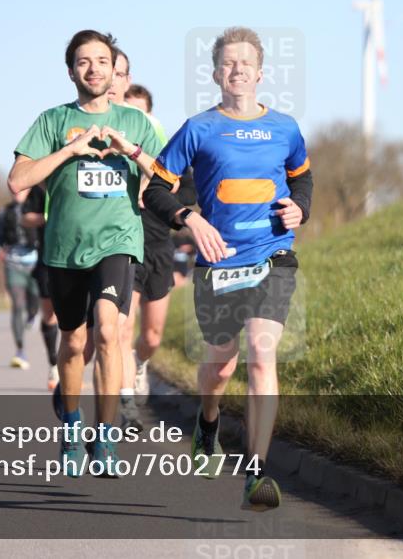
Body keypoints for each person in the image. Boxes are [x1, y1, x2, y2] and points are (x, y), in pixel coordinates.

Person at [143, 26, 313, 511]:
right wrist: (189, 219)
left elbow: (303, 178)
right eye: (227, 63)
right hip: (217, 262)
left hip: (272, 254)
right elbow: (156, 189)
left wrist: (301, 207)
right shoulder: (198, 128)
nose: (237, 69)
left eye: (245, 63)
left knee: (262, 354)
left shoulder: (285, 127)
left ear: (261, 73)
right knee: (219, 366)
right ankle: (209, 419)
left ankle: (256, 473)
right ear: (216, 72)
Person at [8, 30, 161, 477]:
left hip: (118, 242)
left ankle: (106, 435)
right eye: (83, 61)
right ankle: (72, 428)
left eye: (101, 60)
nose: (93, 68)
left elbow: (165, 179)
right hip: (64, 248)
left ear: (115, 69)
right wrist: (69, 150)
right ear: (71, 70)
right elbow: (18, 180)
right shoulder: (52, 120)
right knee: (74, 342)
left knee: (110, 333)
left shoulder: (135, 123)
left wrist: (128, 150)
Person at [117, 83, 196, 413]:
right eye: (129, 112)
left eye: (142, 114)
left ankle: (138, 364)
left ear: (151, 119)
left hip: (159, 247)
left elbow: (186, 196)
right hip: (123, 247)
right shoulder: (112, 158)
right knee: (121, 327)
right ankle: (124, 402)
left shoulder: (168, 160)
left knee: (151, 336)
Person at [0, 189, 41, 370]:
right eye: (14, 190)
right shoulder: (4, 212)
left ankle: (32, 315)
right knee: (17, 305)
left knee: (34, 304)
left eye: (22, 189)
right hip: (13, 264)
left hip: (36, 264)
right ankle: (20, 350)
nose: (17, 193)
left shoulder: (39, 207)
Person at [20, 185, 62, 389]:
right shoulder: (40, 187)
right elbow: (24, 217)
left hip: (77, 255)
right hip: (47, 257)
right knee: (50, 316)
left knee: (78, 318)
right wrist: (47, 217)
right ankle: (54, 363)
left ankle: (71, 365)